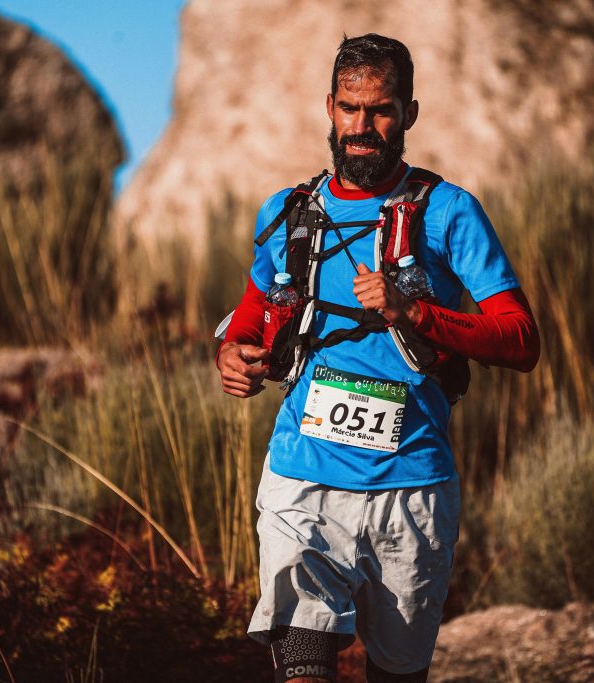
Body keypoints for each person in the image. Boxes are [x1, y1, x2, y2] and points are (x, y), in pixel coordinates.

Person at [216, 33, 540, 683]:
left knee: (398, 674)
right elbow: (253, 310)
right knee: (302, 665)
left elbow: (521, 339)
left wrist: (416, 312)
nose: (364, 127)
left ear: (409, 114)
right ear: (330, 108)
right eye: (350, 108)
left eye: (382, 110)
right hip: (301, 480)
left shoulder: (449, 213)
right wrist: (233, 352)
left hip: (412, 490)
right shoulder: (289, 213)